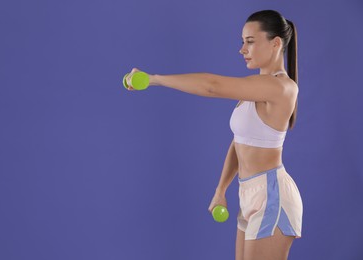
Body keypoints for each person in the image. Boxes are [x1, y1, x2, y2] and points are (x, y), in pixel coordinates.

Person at [125, 9, 303, 260]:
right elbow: (240, 141)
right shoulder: (253, 90)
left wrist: (154, 79)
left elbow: (212, 86)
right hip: (248, 193)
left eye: (250, 42)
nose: (242, 49)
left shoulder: (282, 87)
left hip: (271, 195)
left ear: (275, 43)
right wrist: (221, 189)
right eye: (242, 42)